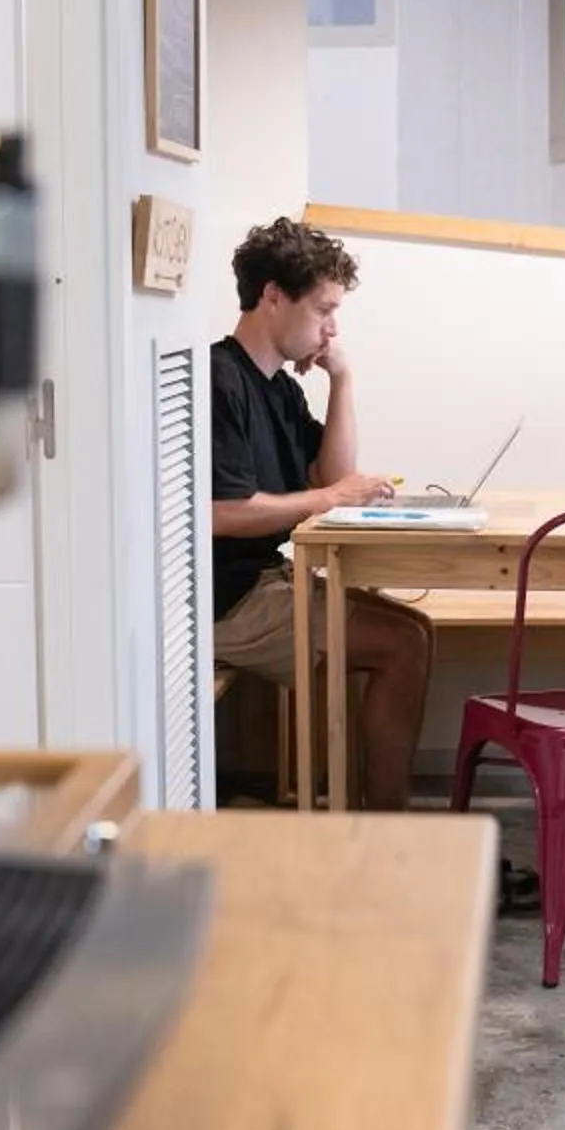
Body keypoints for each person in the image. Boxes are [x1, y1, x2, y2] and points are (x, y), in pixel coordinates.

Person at [208, 219, 436, 812]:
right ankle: (386, 831)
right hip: (226, 600)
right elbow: (222, 514)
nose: (331, 327)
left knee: (417, 631)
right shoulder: (220, 379)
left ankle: (382, 819)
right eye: (322, 310)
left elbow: (332, 476)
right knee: (400, 648)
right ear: (273, 297)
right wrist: (332, 499)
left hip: (263, 581)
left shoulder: (279, 388)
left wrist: (342, 377)